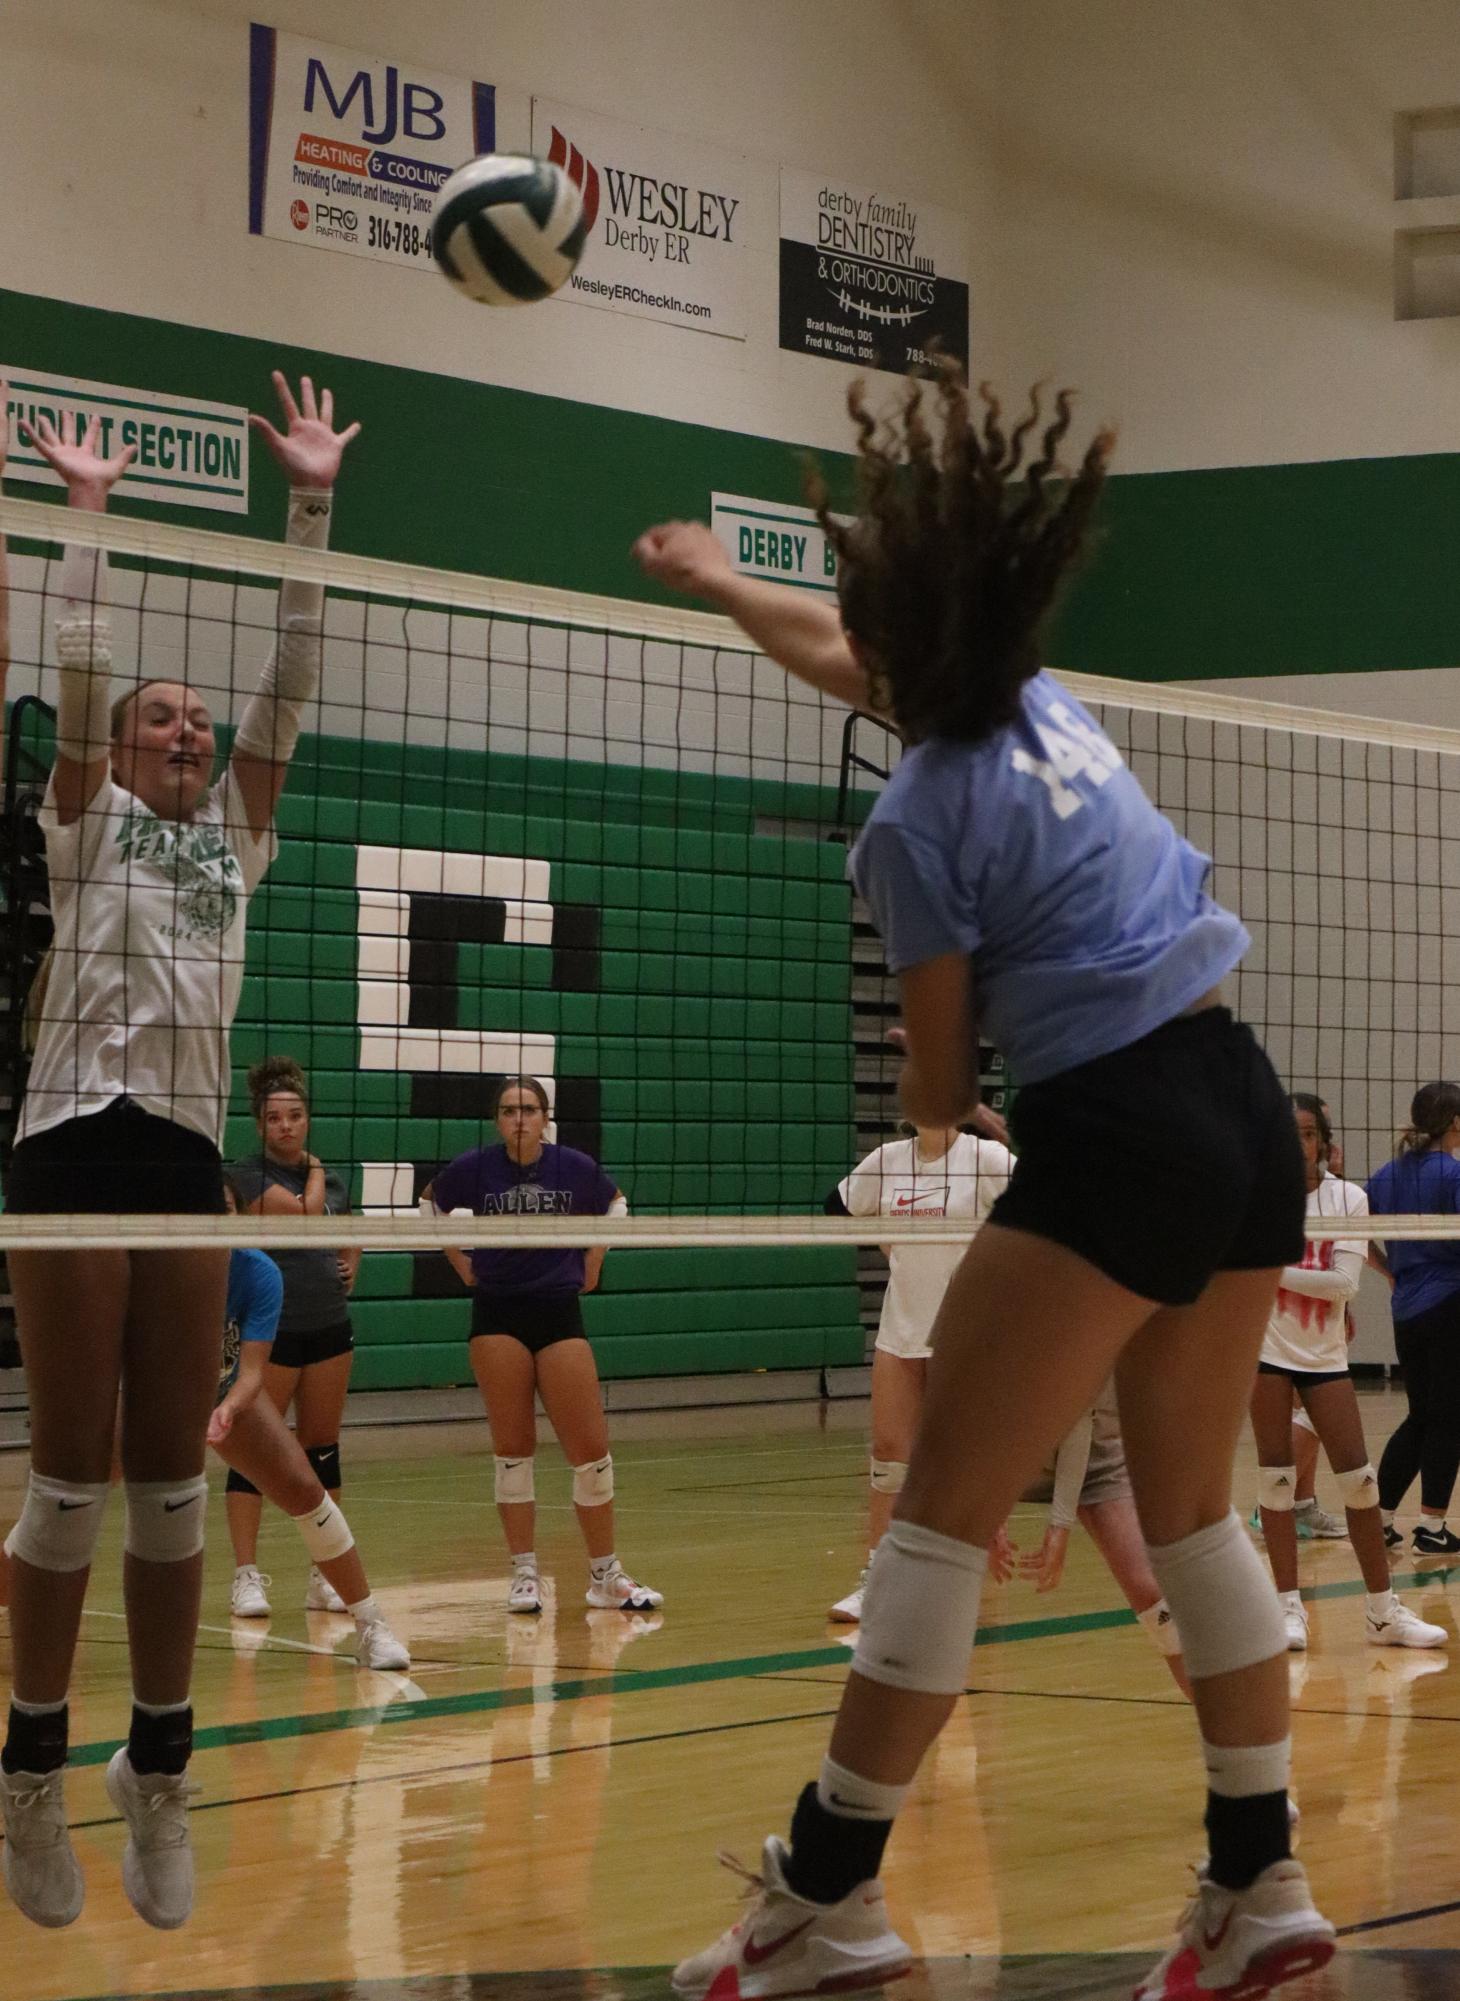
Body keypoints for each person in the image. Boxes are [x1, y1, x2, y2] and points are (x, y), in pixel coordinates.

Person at [635, 369, 1334, 2001]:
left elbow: (942, 1096)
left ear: (901, 652)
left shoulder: (912, 818)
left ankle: (828, 1895)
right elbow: (860, 655)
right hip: (1238, 1102)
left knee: (937, 1530)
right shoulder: (1036, 696)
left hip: (1119, 1124)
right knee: (1199, 1513)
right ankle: (1263, 1879)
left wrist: (938, 1074)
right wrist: (730, 582)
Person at [0, 374, 357, 1932]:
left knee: (169, 1484)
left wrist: (313, 506)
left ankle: (161, 1768)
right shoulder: (81, 822)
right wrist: (85, 519)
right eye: (166, 715)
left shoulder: (234, 841)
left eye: (193, 721)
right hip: (71, 1147)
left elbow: (287, 686)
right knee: (69, 1478)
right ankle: (26, 1774)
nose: (189, 727)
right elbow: (76, 685)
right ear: (121, 746)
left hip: (181, 1162)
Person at [421, 1075, 661, 1616]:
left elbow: (617, 1205)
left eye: (529, 1109)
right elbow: (429, 1204)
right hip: (498, 1312)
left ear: (545, 1117)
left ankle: (605, 1575)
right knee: (514, 1452)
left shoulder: (572, 1167)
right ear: (497, 1120)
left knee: (592, 1453)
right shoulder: (477, 1167)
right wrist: (460, 1261)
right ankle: (524, 1573)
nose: (519, 1119)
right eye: (509, 1110)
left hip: (557, 1310)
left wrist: (594, 1257)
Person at [1251, 1096, 1444, 1652]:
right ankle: (1290, 1610)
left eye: (1307, 1134)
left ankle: (1382, 1613)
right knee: (1276, 1483)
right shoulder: (1259, 1199)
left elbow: (1343, 1284)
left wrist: (1269, 1270)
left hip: (1325, 1357)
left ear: (1323, 1143)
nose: (1297, 1145)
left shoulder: (1347, 1198)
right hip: (1266, 1354)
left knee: (1359, 1482)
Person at [209, 1189, 409, 1672]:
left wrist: (230, 1407)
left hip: (221, 1392)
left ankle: (370, 1625)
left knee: (304, 1485)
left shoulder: (257, 1271)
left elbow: (253, 1372)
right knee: (75, 1496)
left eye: (225, 1209)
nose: (216, 1219)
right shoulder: (158, 1265)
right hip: (152, 1396)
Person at [826, 1118, 1013, 1622]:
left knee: (958, 1462)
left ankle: (956, 1576)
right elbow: (835, 1209)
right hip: (901, 1327)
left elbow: (1049, 1204)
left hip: (964, 1333)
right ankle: (877, 1578)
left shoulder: (986, 1160)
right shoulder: (887, 1161)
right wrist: (888, 1244)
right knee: (888, 1455)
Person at [227, 1055, 361, 1618]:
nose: (286, 1125)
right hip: (271, 1331)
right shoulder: (248, 1174)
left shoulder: (332, 1180)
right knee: (253, 1452)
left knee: (322, 1450)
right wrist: (313, 1168)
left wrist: (351, 1259)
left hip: (328, 1325)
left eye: (295, 1115)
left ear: (307, 1118)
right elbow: (306, 1216)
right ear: (260, 1125)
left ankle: (322, 1578)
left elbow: (345, 1226)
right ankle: (246, 1575)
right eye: (275, 1118)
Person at [1020, 1384, 1192, 1696]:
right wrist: (983, 1508)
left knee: (1156, 1599)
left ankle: (1230, 1736)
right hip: (1007, 1456)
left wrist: (1060, 1524)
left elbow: (1078, 1414)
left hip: (1098, 1453)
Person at [1367, 1081, 1460, 1556]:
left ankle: (1379, 1519)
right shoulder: (1452, 1174)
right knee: (1448, 1419)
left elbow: (1358, 1235)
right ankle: (1431, 1527)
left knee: (1422, 1415)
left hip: (1406, 1307)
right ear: (1455, 1123)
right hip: (1448, 1304)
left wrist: (1391, 1273)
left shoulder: (1385, 1175)